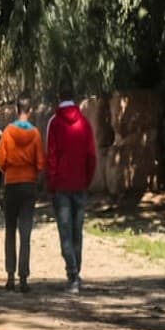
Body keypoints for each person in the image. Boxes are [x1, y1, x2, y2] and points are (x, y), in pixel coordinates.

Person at [45, 83, 97, 293]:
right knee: (77, 231)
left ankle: (72, 274)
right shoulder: (85, 124)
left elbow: (51, 157)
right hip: (80, 185)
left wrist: (51, 184)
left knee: (65, 231)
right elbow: (91, 156)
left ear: (59, 97)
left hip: (61, 187)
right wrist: (87, 180)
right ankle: (77, 271)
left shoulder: (54, 123)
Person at [0, 93, 45, 293]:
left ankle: (10, 277)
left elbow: (1, 160)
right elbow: (40, 163)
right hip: (28, 185)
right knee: (25, 232)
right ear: (29, 111)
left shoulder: (8, 132)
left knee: (10, 230)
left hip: (12, 184)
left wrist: (10, 171)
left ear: (17, 110)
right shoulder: (35, 134)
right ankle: (23, 278)